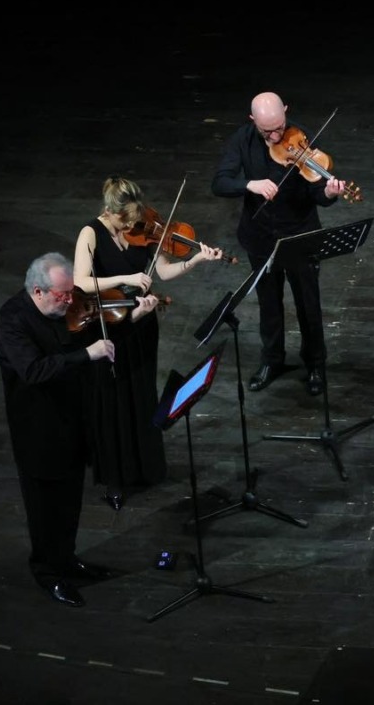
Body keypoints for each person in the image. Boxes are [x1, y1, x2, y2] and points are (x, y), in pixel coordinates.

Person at [73, 176, 222, 510]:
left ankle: (143, 466)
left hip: (142, 325)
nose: (131, 224)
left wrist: (196, 259)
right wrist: (125, 278)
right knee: (113, 400)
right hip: (111, 324)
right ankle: (113, 477)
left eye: (134, 217)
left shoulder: (142, 228)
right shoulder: (90, 233)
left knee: (140, 393)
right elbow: (81, 282)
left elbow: (164, 273)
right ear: (110, 211)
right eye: (125, 219)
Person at [0, 252, 116, 607]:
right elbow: (33, 371)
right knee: (44, 507)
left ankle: (66, 558)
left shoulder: (63, 309)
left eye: (70, 293)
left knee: (70, 500)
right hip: (38, 431)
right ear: (38, 290)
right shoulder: (12, 320)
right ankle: (48, 571)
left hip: (72, 420)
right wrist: (87, 355)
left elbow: (84, 330)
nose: (70, 301)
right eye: (62, 295)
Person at [212, 91, 348, 395]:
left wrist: (328, 193)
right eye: (267, 131)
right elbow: (219, 182)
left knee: (308, 305)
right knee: (268, 305)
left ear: (285, 111)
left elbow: (317, 193)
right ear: (253, 121)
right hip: (260, 236)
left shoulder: (300, 137)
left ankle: (315, 363)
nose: (275, 135)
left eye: (279, 126)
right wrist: (250, 184)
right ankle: (272, 360)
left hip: (300, 235)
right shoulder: (242, 139)